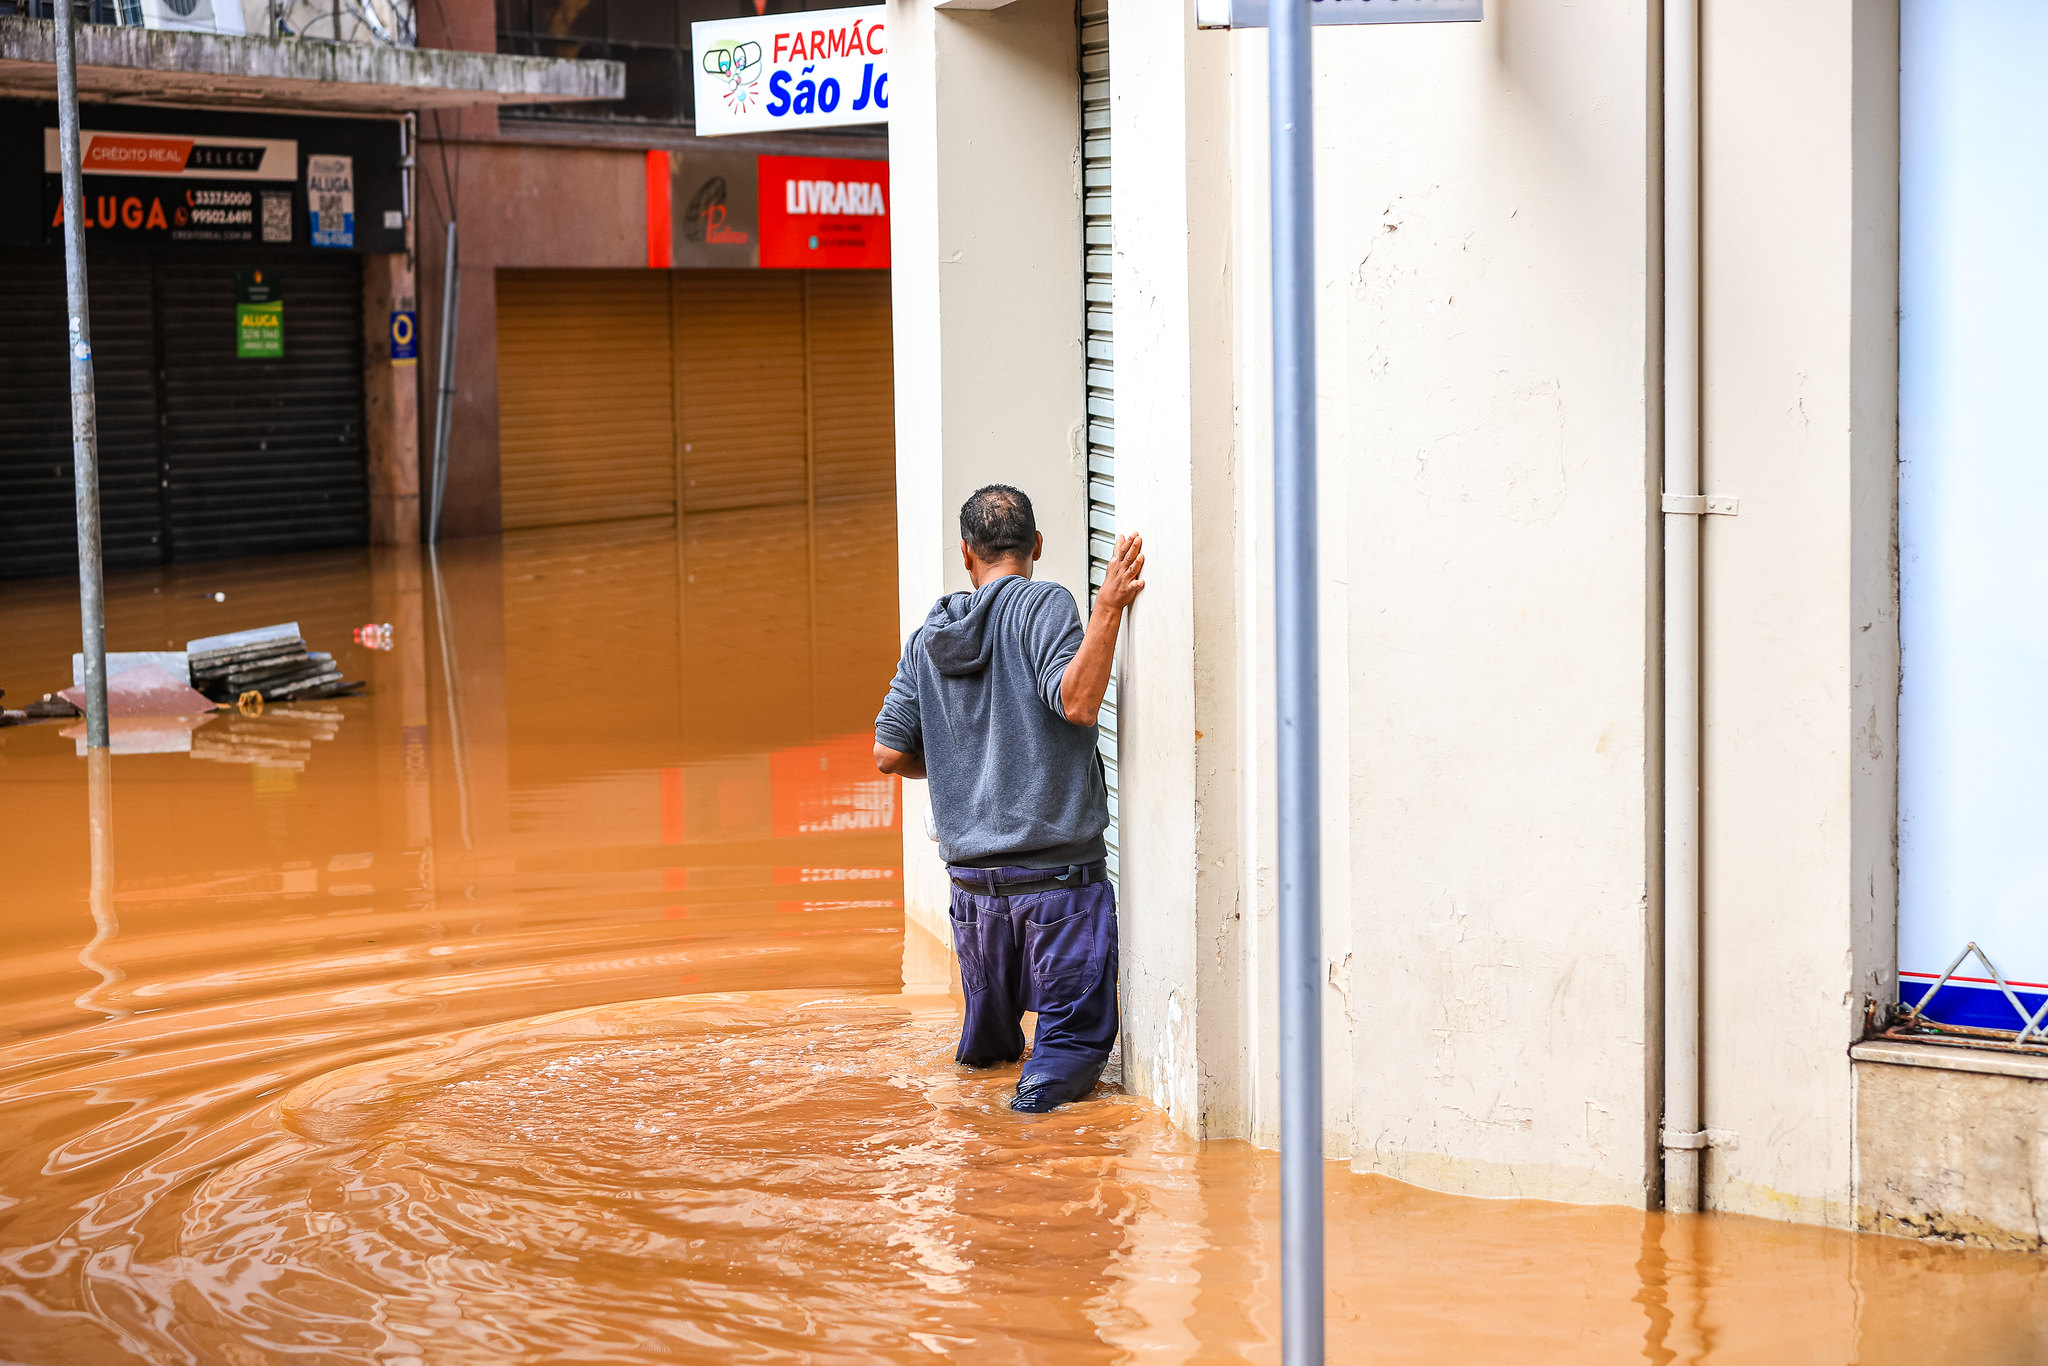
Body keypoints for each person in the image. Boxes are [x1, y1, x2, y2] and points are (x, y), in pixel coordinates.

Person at [873, 485, 1146, 1113]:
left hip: (973, 897)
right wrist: (1106, 610)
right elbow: (1077, 703)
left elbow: (888, 753)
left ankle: (979, 1175)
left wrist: (958, 763)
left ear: (966, 555)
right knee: (1059, 1073)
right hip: (1059, 887)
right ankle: (1024, 1174)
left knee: (987, 1062)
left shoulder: (927, 639)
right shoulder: (1045, 605)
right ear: (1038, 547)